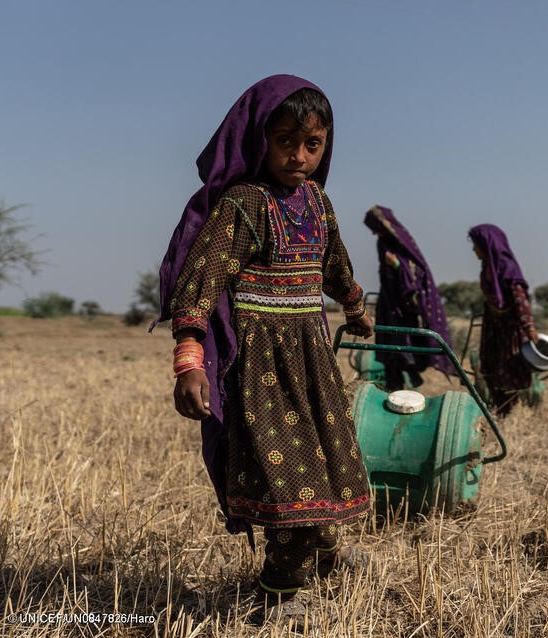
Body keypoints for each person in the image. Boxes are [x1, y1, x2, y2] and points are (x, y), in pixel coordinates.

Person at [156, 75, 374, 624]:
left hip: (312, 358)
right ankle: (278, 595)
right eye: (285, 141)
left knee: (321, 461)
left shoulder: (318, 202)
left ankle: (324, 551)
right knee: (289, 479)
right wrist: (188, 359)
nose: (299, 156)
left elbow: (335, 264)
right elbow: (200, 281)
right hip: (261, 366)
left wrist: (353, 306)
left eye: (313, 144)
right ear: (260, 139)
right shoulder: (245, 204)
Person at [363, 206, 455, 390]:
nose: (373, 233)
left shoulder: (402, 242)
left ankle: (409, 375)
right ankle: (394, 386)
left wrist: (397, 265)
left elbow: (417, 271)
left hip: (404, 307)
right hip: (388, 304)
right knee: (388, 347)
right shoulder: (382, 242)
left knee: (402, 344)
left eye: (374, 227)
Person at [468, 223, 539, 414]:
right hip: (493, 327)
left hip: (509, 329)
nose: (473, 249)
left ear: (487, 245)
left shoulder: (507, 269)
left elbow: (520, 299)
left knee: (509, 369)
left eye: (476, 245)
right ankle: (498, 410)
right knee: (490, 368)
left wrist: (529, 327)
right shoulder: (487, 268)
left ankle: (507, 411)